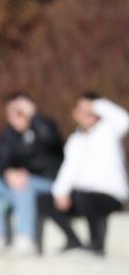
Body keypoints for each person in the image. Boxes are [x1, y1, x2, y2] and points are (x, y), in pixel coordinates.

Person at [37, 93, 128, 255]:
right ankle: (73, 241)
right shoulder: (75, 140)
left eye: (90, 109)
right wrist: (60, 193)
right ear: (75, 113)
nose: (87, 113)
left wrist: (98, 104)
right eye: (82, 110)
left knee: (85, 196)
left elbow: (125, 120)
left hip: (110, 196)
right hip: (82, 196)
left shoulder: (109, 129)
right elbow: (68, 169)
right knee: (44, 200)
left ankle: (96, 243)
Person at [0, 92, 63, 254]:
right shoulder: (7, 135)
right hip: (17, 187)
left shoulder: (45, 126)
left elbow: (51, 140)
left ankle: (25, 240)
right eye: (11, 112)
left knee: (24, 183)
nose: (15, 116)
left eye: (19, 111)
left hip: (47, 184)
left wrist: (34, 116)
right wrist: (8, 172)